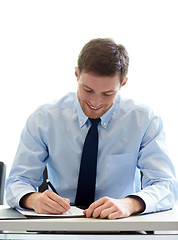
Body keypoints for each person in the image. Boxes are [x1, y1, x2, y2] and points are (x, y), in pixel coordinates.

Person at [6, 38, 178, 220]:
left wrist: (130, 203)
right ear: (76, 74)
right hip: (59, 226)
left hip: (121, 226)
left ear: (123, 83)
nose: (95, 102)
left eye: (107, 94)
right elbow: (17, 183)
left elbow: (165, 185)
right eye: (87, 90)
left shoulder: (144, 120)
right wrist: (33, 199)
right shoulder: (44, 119)